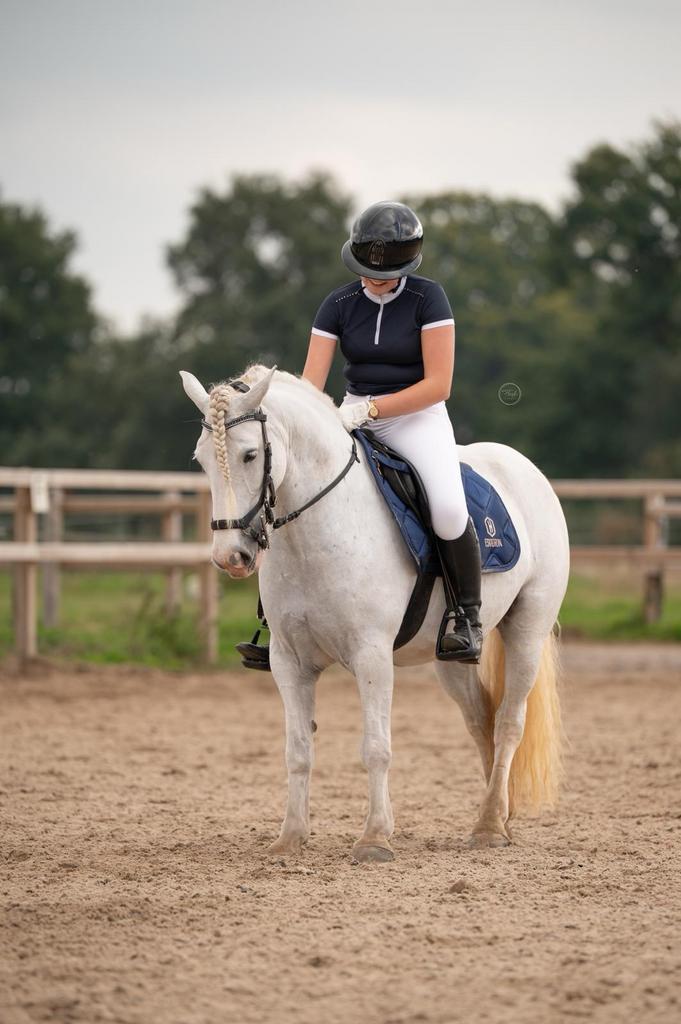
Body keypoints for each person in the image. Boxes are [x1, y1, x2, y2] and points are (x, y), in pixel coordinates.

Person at [237, 200, 482, 669]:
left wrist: (371, 409)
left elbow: (439, 384)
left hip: (417, 417)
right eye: (367, 272)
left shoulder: (429, 299)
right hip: (348, 414)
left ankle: (464, 618)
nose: (375, 280)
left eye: (386, 274)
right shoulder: (339, 304)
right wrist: (324, 417)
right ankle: (276, 621)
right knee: (289, 493)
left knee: (449, 510)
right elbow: (311, 384)